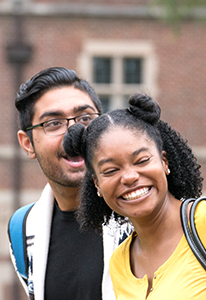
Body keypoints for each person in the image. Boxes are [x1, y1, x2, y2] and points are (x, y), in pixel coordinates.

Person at [60, 94, 206, 299]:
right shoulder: (120, 262)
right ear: (97, 185)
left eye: (142, 161)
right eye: (111, 170)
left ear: (164, 162)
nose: (129, 177)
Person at [8, 67, 131, 300]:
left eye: (85, 118)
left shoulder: (143, 211)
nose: (74, 133)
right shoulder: (23, 230)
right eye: (53, 123)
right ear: (27, 144)